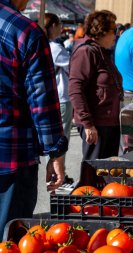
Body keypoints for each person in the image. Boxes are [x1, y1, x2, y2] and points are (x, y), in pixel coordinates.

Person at [0, 0, 68, 237]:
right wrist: (55, 152)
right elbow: (43, 101)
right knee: (9, 238)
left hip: (11, 153)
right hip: (11, 157)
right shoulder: (25, 31)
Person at [69, 10, 123, 161]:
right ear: (102, 31)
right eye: (114, 30)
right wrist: (88, 124)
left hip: (107, 122)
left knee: (106, 172)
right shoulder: (86, 51)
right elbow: (75, 89)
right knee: (93, 173)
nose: (116, 35)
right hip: (96, 123)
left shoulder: (100, 51)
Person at [44, 13, 74, 186]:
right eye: (60, 24)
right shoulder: (55, 48)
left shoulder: (45, 45)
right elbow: (73, 68)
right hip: (61, 97)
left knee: (57, 138)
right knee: (63, 138)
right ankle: (58, 174)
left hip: (52, 97)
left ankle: (58, 173)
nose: (61, 27)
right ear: (53, 26)